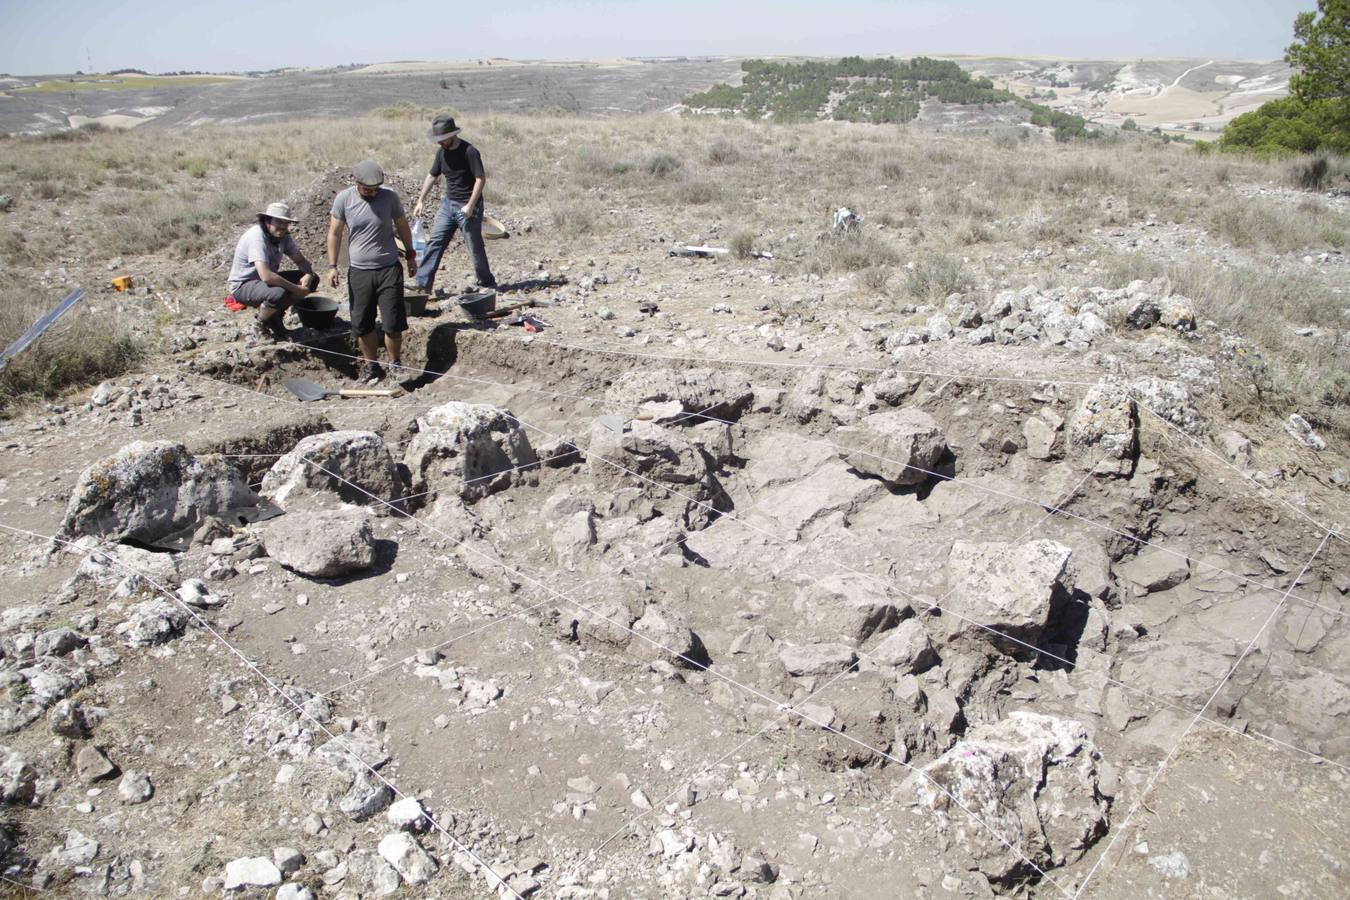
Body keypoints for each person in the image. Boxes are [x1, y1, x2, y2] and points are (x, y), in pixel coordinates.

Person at [326, 160, 417, 384]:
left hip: (388, 268)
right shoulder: (344, 200)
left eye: (376, 189)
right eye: (368, 190)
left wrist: (411, 255)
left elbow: (402, 225)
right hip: (360, 272)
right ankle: (371, 366)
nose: (373, 193)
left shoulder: (390, 197)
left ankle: (395, 363)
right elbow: (335, 233)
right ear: (356, 183)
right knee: (362, 323)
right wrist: (333, 266)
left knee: (393, 322)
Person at [410, 115, 496, 295]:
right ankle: (422, 283)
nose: (440, 143)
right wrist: (421, 200)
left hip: (468, 207)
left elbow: (480, 179)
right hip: (448, 205)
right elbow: (432, 175)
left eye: (442, 139)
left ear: (452, 135)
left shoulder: (469, 151)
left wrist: (471, 205)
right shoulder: (441, 153)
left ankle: (487, 283)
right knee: (435, 242)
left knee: (474, 245)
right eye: (438, 140)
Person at [226, 202, 319, 340]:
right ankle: (260, 324)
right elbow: (266, 276)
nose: (282, 226)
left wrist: (308, 275)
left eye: (285, 223)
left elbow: (301, 261)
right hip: (243, 285)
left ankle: (274, 316)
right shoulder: (257, 237)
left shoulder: (283, 236)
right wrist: (297, 289)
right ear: (267, 221)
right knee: (277, 293)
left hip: (264, 282)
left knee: (313, 280)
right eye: (278, 222)